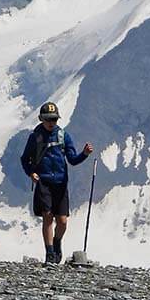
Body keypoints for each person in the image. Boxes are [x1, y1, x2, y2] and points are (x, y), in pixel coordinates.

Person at [19, 101, 93, 265]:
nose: (52, 122)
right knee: (47, 216)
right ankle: (50, 253)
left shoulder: (63, 136)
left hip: (60, 183)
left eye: (54, 119)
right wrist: (31, 173)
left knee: (62, 221)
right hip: (44, 182)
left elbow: (72, 160)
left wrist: (85, 154)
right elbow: (25, 159)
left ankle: (57, 241)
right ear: (41, 119)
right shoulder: (35, 137)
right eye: (48, 119)